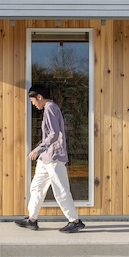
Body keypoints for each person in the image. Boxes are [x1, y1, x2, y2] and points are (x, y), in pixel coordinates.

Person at [15, 85, 86, 233]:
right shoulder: (49, 109)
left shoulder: (51, 108)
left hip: (54, 157)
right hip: (45, 158)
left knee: (61, 190)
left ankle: (75, 221)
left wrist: (38, 149)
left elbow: (54, 134)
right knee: (37, 187)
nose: (33, 104)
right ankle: (32, 219)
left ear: (39, 97)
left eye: (33, 100)